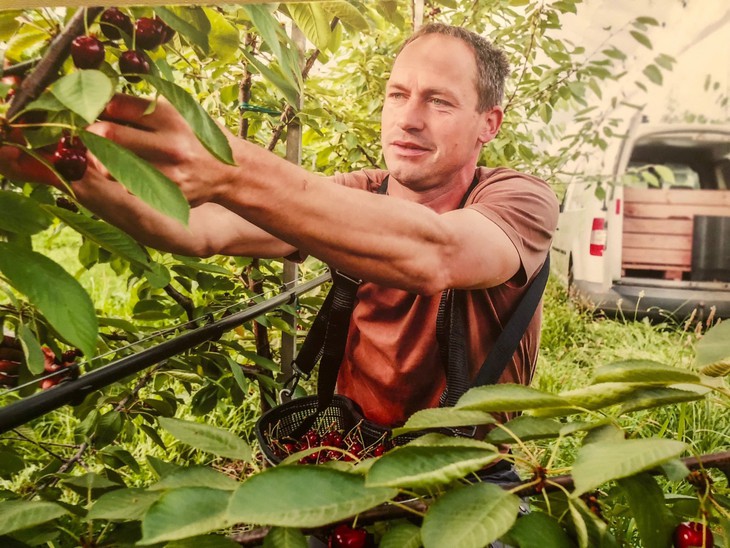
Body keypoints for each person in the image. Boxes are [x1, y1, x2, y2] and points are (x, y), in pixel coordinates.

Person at [0, 23, 558, 428]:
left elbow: (436, 255)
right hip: (347, 450)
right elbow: (196, 229)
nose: (408, 118)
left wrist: (229, 167)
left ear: (489, 123)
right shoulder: (361, 193)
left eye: (439, 102)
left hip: (470, 472)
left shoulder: (520, 200)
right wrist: (60, 163)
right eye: (397, 95)